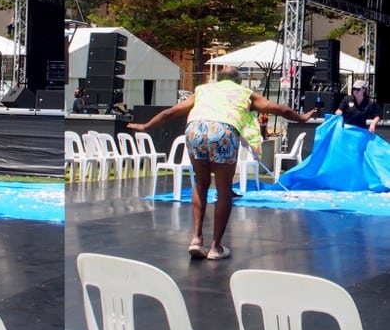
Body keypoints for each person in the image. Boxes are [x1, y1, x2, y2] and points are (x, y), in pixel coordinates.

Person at [127, 65, 316, 261]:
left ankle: (196, 239)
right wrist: (301, 118)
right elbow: (280, 109)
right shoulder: (244, 92)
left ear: (218, 79)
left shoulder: (203, 90)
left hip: (195, 129)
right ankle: (216, 247)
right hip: (223, 131)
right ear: (238, 81)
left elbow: (171, 112)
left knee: (200, 184)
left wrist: (145, 125)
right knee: (224, 189)